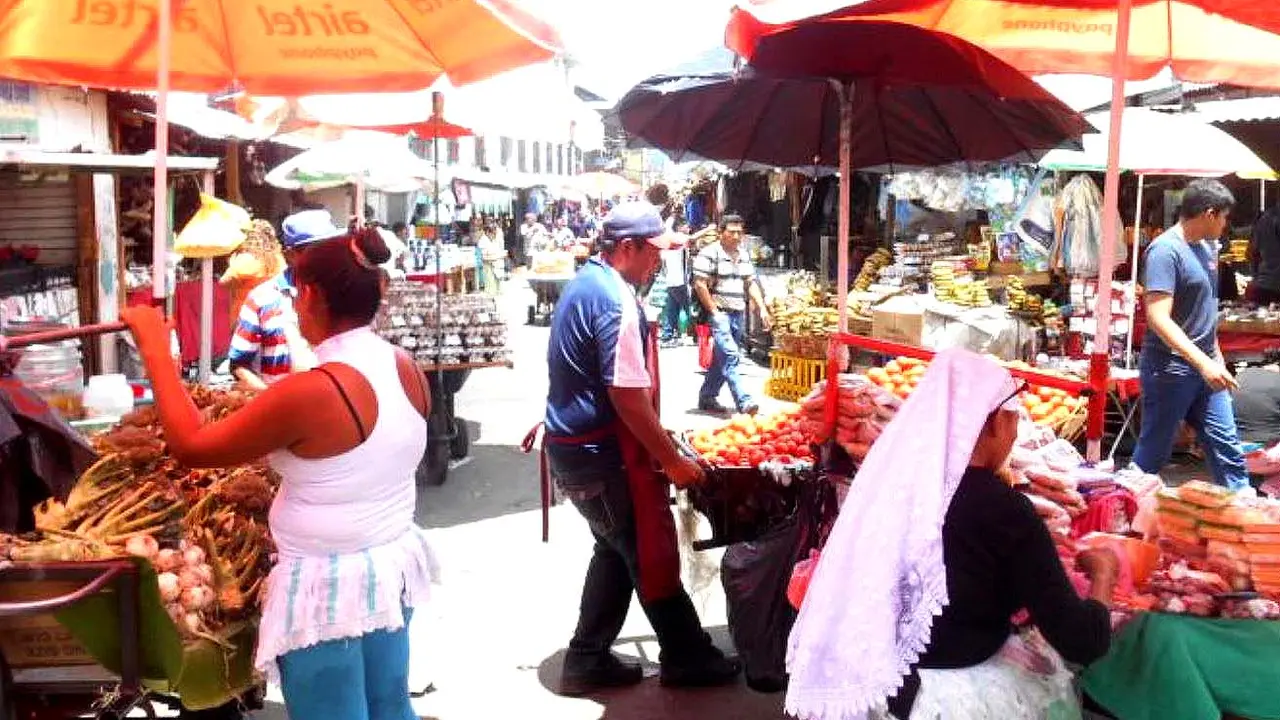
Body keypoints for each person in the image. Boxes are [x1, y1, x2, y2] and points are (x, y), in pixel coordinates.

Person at [121, 226, 438, 720]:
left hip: (327, 594)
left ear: (308, 295)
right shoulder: (405, 367)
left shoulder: (314, 391)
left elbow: (190, 446)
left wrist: (157, 351)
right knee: (389, 708)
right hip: (388, 570)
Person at [785, 349, 1117, 720]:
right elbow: (1081, 640)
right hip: (957, 697)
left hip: (881, 690)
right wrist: (1104, 574)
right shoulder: (1005, 509)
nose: (1015, 433)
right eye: (1014, 420)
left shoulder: (887, 485)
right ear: (991, 423)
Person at [542, 201, 740, 696]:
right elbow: (626, 396)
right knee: (646, 551)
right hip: (601, 453)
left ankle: (587, 658)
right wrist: (672, 460)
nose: (658, 263)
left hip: (578, 448)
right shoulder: (614, 300)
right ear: (626, 248)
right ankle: (688, 655)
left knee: (614, 549)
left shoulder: (587, 283)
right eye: (653, 253)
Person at [1133, 179, 1250, 490]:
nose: (1226, 224)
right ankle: (1124, 511)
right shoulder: (1165, 251)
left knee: (1228, 448)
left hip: (1206, 367)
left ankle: (1246, 516)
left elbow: (1204, 312)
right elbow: (1158, 317)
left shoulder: (1208, 248)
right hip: (1170, 369)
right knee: (1153, 455)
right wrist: (1202, 362)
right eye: (1224, 217)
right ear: (1209, 214)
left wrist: (1217, 360)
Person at [227, 209, 341, 390]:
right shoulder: (263, 298)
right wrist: (272, 399)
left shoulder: (341, 293)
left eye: (329, 248)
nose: (324, 256)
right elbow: (239, 364)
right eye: (315, 249)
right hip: (279, 410)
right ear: (290, 255)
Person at [692, 213, 771, 415]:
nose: (736, 236)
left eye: (739, 232)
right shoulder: (709, 253)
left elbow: (750, 283)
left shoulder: (743, 254)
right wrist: (714, 312)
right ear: (721, 233)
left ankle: (707, 396)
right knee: (730, 355)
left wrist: (761, 308)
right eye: (732, 232)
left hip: (738, 314)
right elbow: (700, 284)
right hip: (720, 314)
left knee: (721, 358)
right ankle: (744, 401)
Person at [658, 221, 692, 348]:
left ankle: (667, 336)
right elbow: (692, 238)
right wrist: (710, 228)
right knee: (688, 308)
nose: (688, 228)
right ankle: (689, 334)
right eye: (686, 226)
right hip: (679, 281)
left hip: (670, 281)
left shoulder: (666, 244)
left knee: (671, 309)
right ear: (679, 227)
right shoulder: (678, 239)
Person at [1250, 203, 1280, 305]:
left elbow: (1253, 253)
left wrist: (1255, 278)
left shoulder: (1265, 219)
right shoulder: (1268, 218)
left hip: (1264, 284)